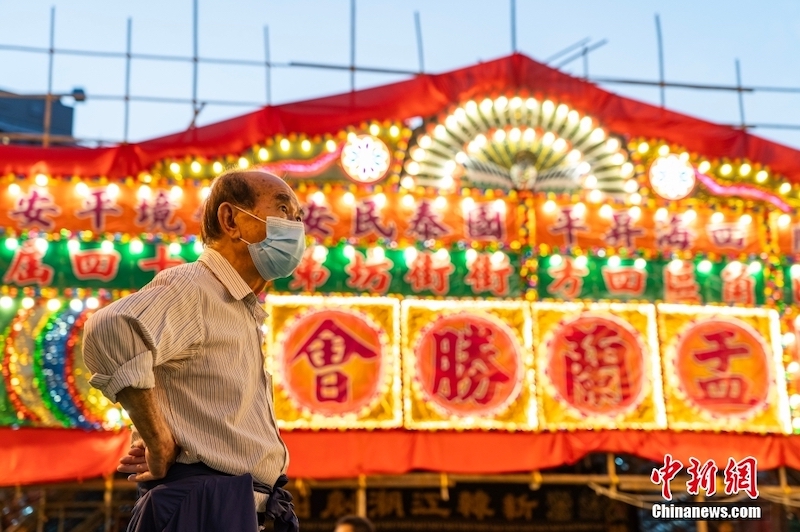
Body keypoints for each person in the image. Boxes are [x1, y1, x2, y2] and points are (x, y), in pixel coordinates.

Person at [82, 170, 306, 532]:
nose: (295, 228)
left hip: (234, 505)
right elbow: (110, 329)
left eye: (297, 218)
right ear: (231, 220)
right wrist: (158, 441)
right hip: (204, 506)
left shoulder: (238, 304)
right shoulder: (195, 287)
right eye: (282, 209)